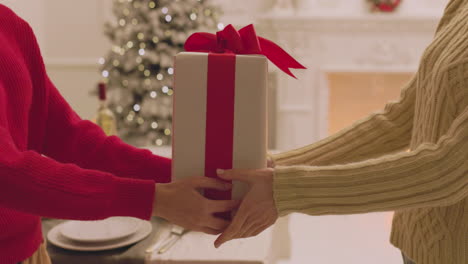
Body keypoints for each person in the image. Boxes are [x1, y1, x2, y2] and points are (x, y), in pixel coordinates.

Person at [214, 0, 468, 264]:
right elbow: (401, 119)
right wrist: (276, 167)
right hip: (418, 245)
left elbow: (448, 170)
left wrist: (284, 189)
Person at [0, 5, 239, 264]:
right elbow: (6, 172)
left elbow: (72, 137)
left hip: (31, 250)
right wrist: (153, 199)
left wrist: (188, 176)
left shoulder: (10, 25)